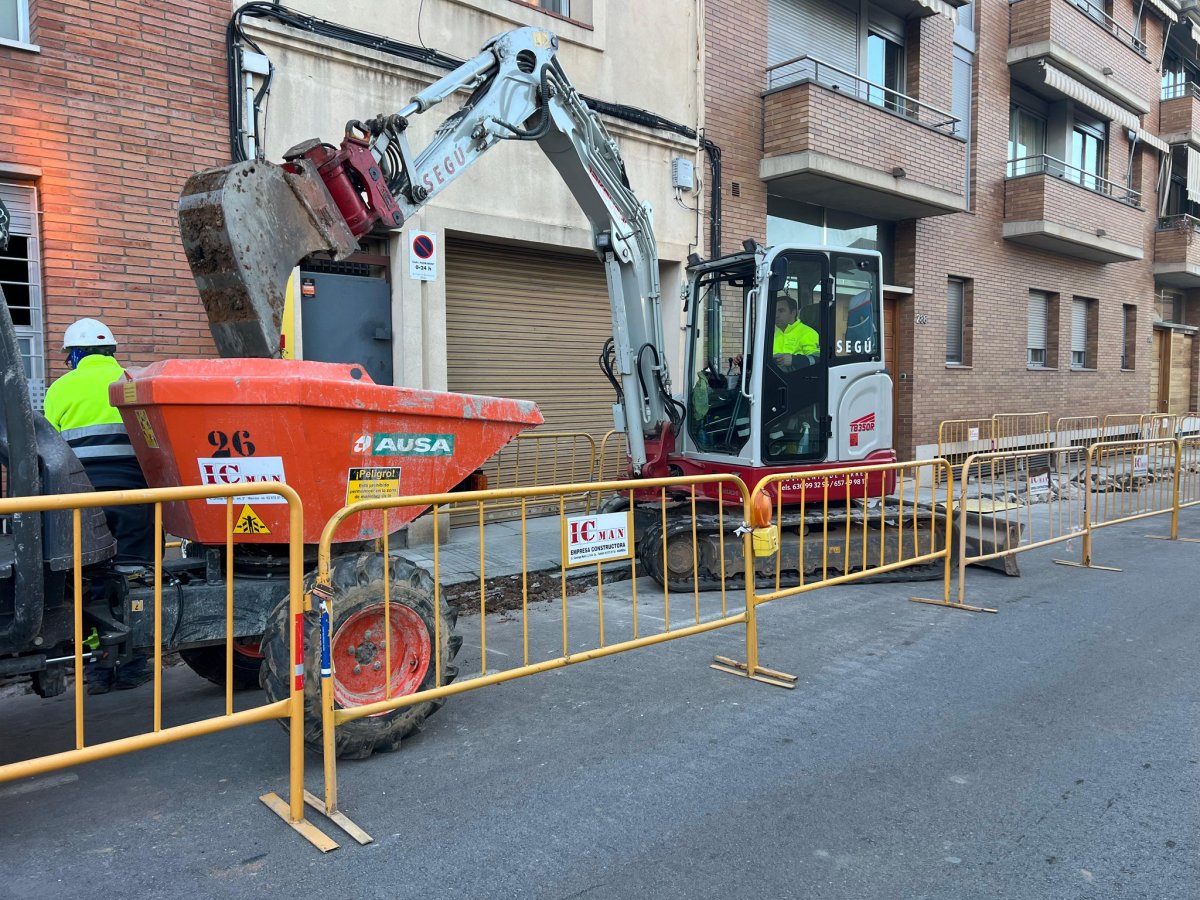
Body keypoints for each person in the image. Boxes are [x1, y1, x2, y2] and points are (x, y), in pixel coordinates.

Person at [43, 318, 153, 692]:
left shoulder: (59, 389)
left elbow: (51, 452)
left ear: (74, 354)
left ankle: (98, 667)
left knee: (86, 586)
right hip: (137, 498)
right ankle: (135, 662)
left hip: (84, 504)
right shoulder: (133, 381)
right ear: (111, 351)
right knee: (137, 578)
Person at [772, 294, 819, 370]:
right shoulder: (773, 335)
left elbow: (817, 360)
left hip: (798, 379)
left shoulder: (808, 333)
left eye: (781, 311)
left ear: (793, 313)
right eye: (774, 311)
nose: (776, 315)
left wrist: (794, 360)